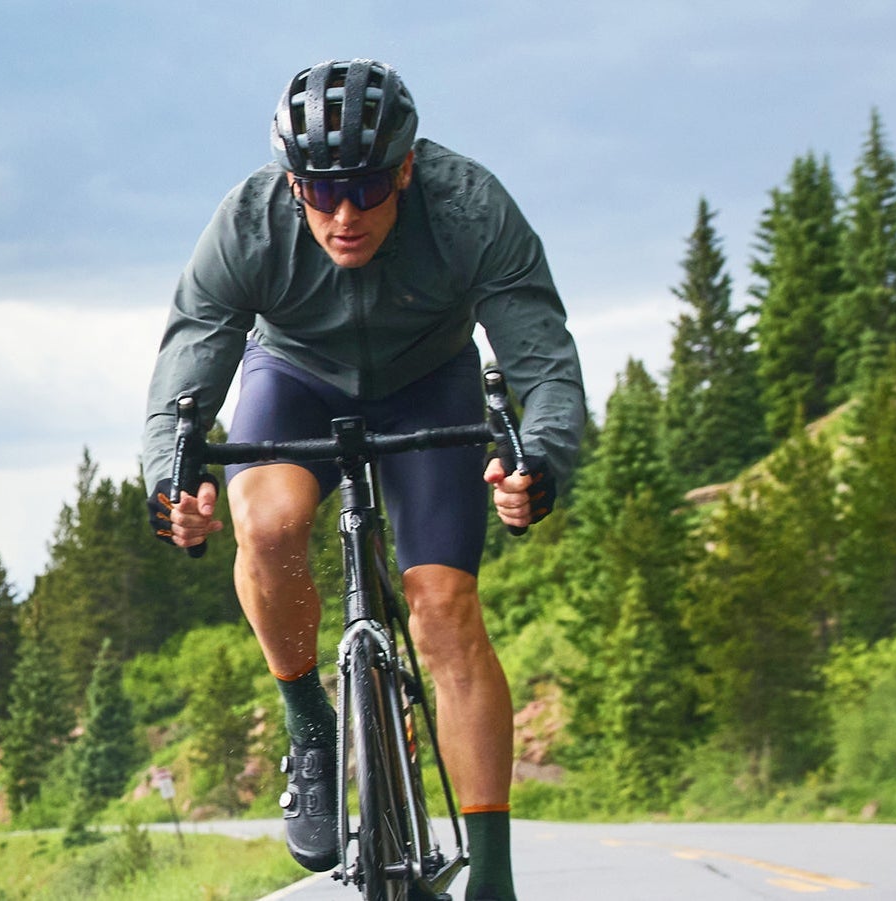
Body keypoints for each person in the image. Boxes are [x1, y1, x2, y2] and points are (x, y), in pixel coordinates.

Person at [141, 59, 585, 901]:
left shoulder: (470, 208)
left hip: (431, 382)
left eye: (370, 189)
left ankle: (492, 877)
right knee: (267, 525)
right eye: (320, 192)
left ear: (408, 168)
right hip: (295, 379)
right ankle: (310, 720)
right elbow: (189, 361)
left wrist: (540, 459)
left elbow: (543, 357)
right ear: (291, 182)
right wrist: (172, 479)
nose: (344, 216)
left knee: (445, 607)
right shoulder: (249, 223)